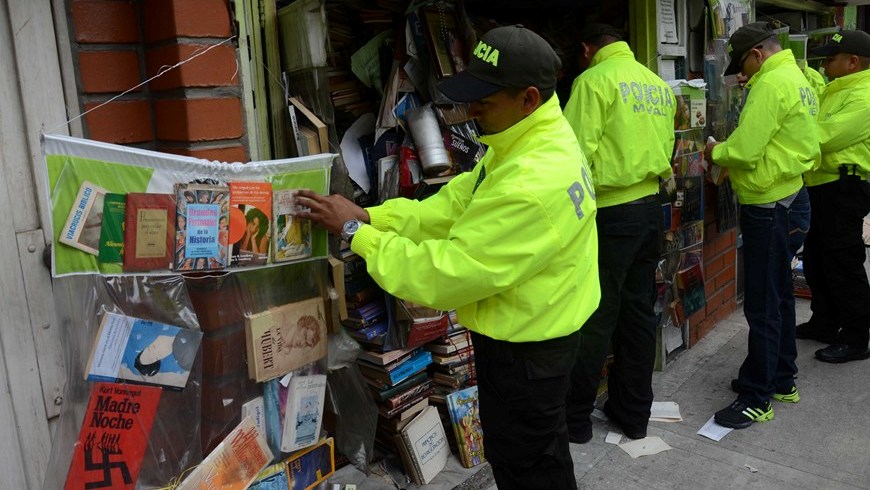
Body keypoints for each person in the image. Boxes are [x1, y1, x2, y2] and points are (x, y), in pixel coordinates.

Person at [296, 25, 599, 490]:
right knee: (542, 451)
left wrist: (356, 233)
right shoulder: (532, 139)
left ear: (529, 98)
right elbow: (458, 202)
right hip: (542, 327)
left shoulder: (531, 182)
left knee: (524, 462)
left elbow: (444, 274)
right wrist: (376, 218)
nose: (472, 110)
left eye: (485, 100)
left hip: (527, 350)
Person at [562, 23, 676, 443]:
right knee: (638, 315)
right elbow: (668, 148)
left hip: (610, 213)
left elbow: (571, 153)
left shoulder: (592, 81)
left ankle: (575, 420)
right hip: (651, 210)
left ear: (587, 48)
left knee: (596, 316)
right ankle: (633, 414)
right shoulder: (656, 84)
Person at [704, 22, 819, 429]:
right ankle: (782, 378)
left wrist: (718, 150)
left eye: (746, 66)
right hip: (791, 195)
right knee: (779, 296)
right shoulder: (798, 77)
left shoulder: (771, 85)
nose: (745, 75)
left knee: (763, 304)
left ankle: (759, 398)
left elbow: (748, 149)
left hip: (770, 205)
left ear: (757, 54)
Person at [797, 30, 870, 363]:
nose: (824, 66)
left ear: (852, 62)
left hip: (844, 188)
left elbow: (823, 136)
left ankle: (857, 337)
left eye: (830, 59)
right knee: (815, 258)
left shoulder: (864, 95)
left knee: (843, 262)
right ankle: (825, 321)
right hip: (823, 185)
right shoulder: (838, 88)